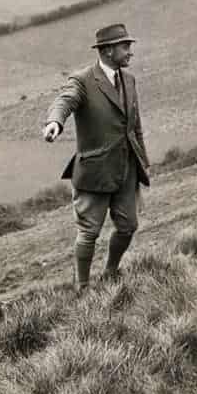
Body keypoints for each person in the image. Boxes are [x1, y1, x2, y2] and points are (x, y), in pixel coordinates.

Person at [43, 23, 151, 291]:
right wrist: (55, 122)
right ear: (108, 50)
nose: (130, 52)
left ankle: (111, 271)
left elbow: (134, 125)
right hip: (95, 170)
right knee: (89, 232)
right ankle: (82, 286)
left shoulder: (129, 80)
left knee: (128, 226)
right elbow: (64, 101)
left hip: (127, 168)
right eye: (125, 47)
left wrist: (142, 162)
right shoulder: (82, 80)